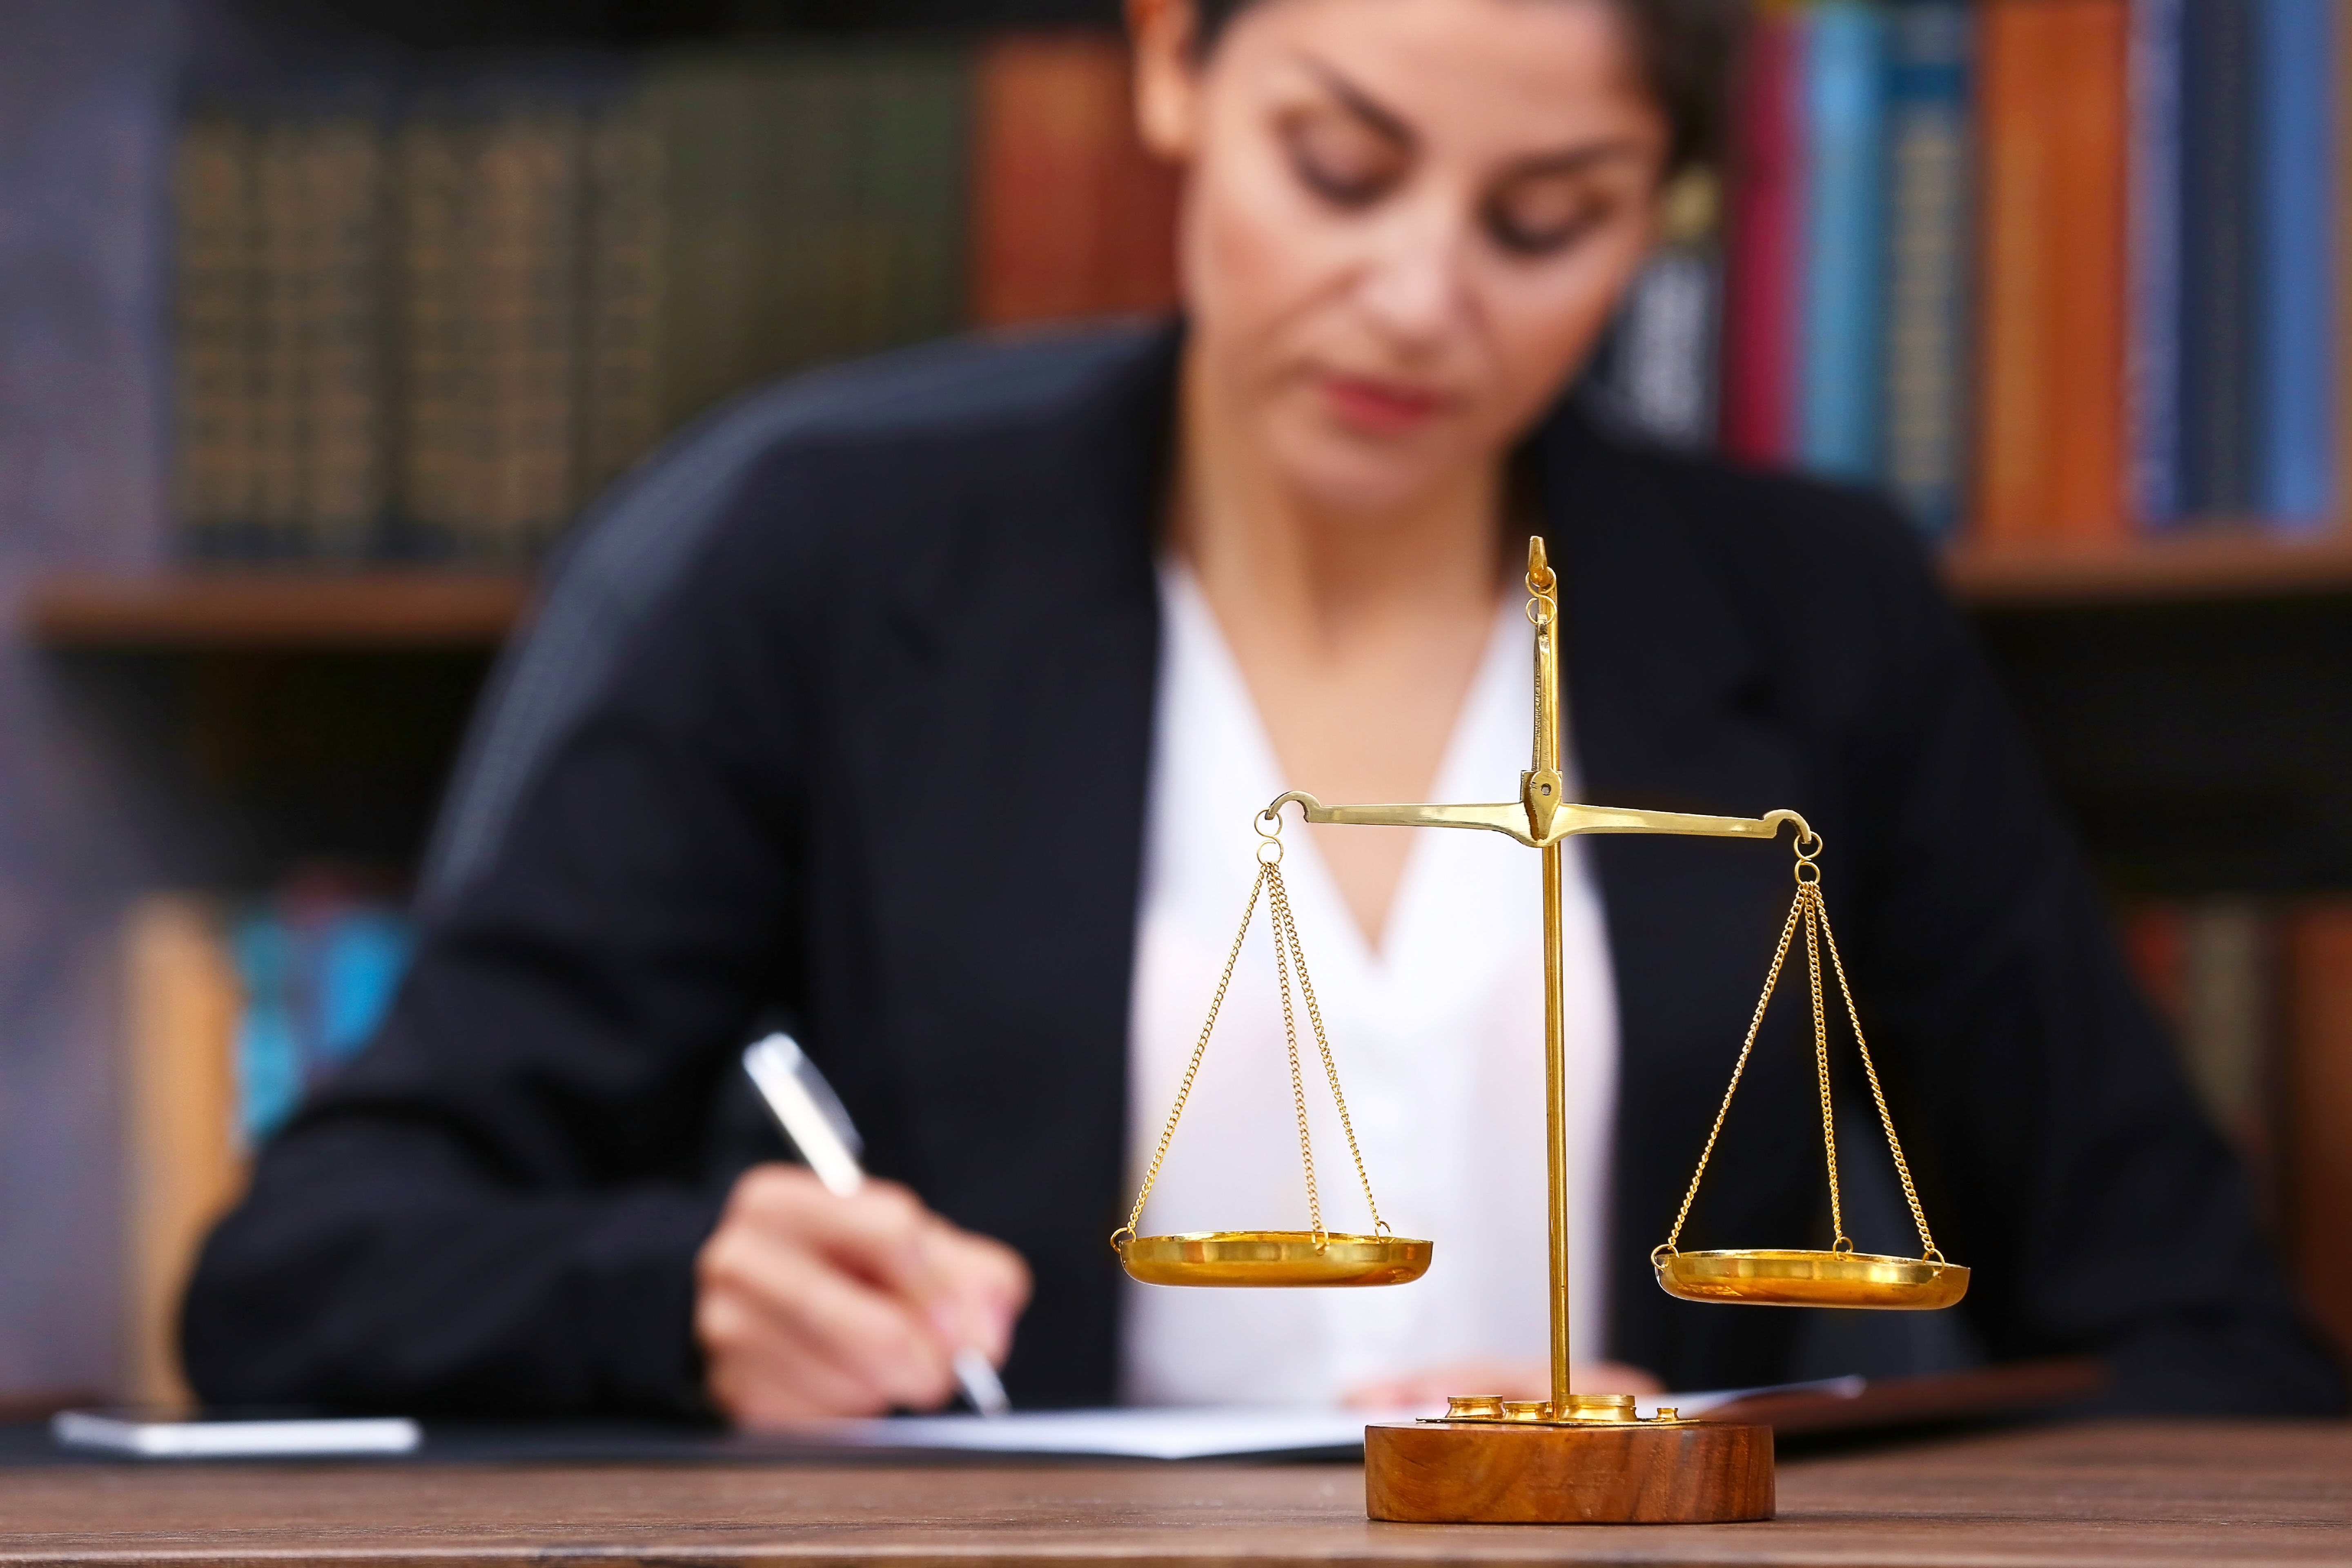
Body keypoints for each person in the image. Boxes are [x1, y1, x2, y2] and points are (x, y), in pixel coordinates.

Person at [185, 0, 2342, 1424]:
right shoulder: (830, 567)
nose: (1419, 298)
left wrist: (1733, 1466)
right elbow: (301, 1271)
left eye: (1543, 220)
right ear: (1170, 69)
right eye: (1339, 165)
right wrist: (681, 1298)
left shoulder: (1818, 616)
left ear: (1657, 221)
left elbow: (2204, 1342)